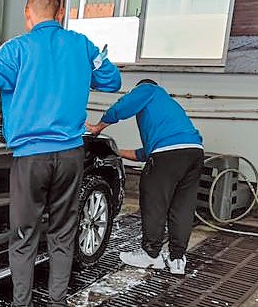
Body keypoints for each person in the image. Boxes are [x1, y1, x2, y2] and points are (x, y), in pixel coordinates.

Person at [0, 0, 121, 307]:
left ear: (28, 15)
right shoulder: (80, 45)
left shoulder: (15, 49)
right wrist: (94, 58)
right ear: (60, 14)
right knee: (63, 231)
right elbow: (111, 80)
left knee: (25, 233)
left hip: (31, 158)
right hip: (71, 154)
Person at [86, 79, 203, 275]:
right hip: (194, 153)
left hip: (168, 154)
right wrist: (117, 152)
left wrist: (99, 127)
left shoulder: (149, 89)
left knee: (154, 201)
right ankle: (177, 259)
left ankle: (151, 254)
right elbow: (147, 153)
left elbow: (123, 107)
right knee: (182, 207)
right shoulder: (170, 110)